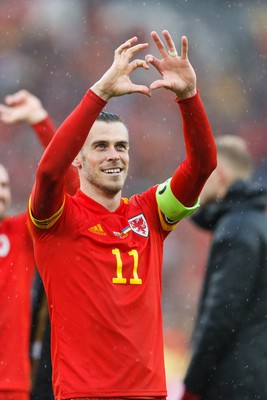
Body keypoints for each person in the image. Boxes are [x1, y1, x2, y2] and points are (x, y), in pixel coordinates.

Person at [28, 29, 217, 400]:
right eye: (101, 146)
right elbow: (49, 172)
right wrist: (98, 95)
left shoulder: (150, 214)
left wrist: (189, 97)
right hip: (85, 394)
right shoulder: (57, 220)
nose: (115, 154)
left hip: (148, 393)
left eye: (121, 146)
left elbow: (201, 167)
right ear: (78, 161)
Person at [179, 135, 267, 400]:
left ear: (220, 178)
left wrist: (192, 385)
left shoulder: (235, 230)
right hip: (252, 377)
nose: (194, 183)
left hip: (231, 383)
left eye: (201, 175)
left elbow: (220, 319)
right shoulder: (256, 224)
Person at [0, 90, 57, 400]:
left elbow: (59, 177)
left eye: (5, 185)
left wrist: (40, 122)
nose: (1, 193)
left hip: (11, 387)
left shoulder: (19, 233)